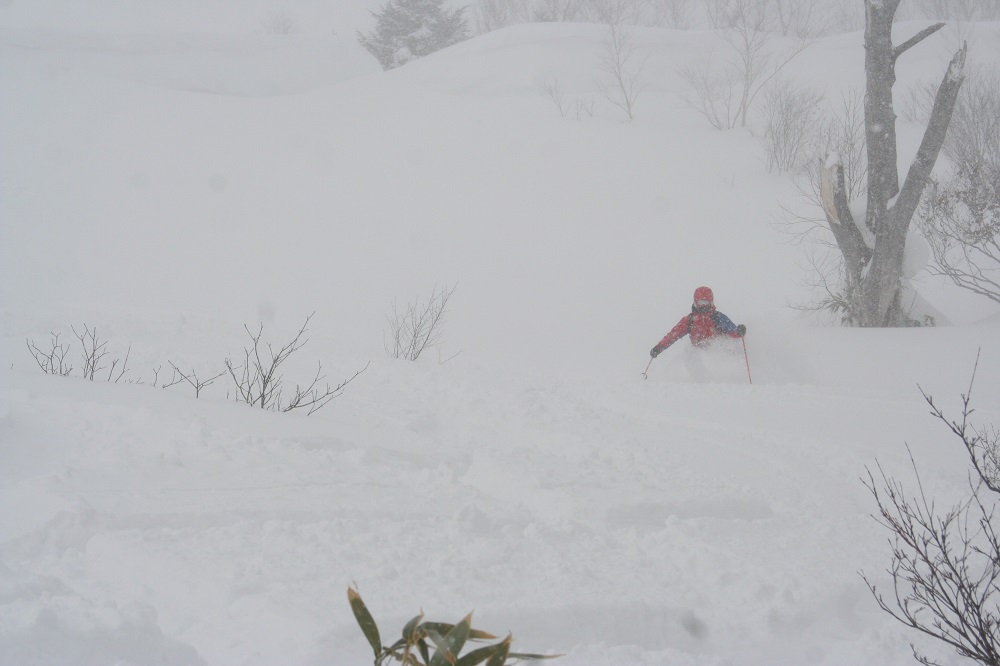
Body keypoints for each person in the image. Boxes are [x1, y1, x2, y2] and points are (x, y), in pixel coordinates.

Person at [650, 286, 746, 358]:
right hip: (698, 353)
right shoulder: (689, 320)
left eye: (706, 303)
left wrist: (739, 331)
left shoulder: (718, 317)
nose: (704, 306)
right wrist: (659, 348)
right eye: (701, 303)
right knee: (691, 360)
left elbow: (732, 331)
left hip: (718, 352)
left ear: (711, 302)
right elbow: (673, 335)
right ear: (696, 302)